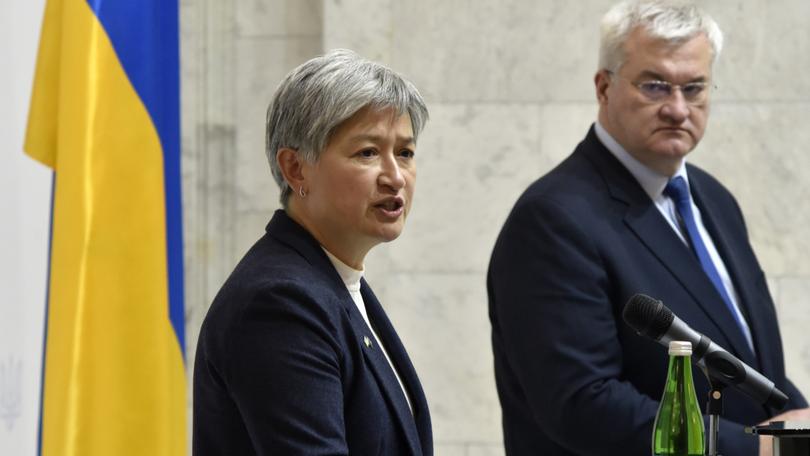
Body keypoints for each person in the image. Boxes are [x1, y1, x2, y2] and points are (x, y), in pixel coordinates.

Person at [487, 1, 810, 455]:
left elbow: (750, 365)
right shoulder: (553, 219)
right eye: (655, 86)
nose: (678, 108)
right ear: (603, 87)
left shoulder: (714, 199)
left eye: (694, 87)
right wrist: (755, 448)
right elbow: (583, 404)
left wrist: (798, 426)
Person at [193, 49, 432, 455]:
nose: (395, 177)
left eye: (405, 153)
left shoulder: (334, 281)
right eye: (368, 153)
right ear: (295, 169)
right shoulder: (280, 303)